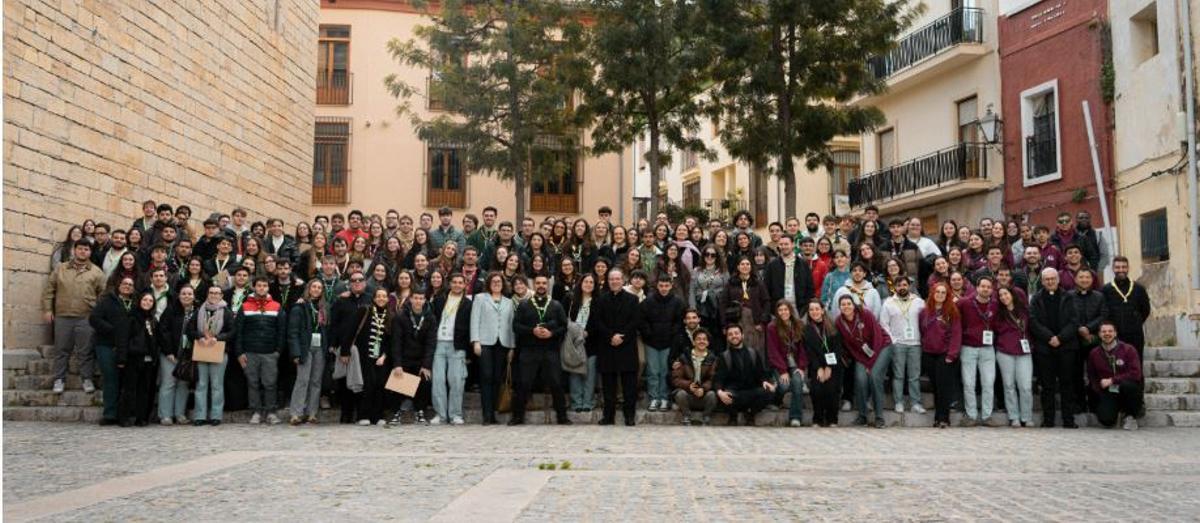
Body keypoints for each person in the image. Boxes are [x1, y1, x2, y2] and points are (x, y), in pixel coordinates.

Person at [42, 239, 106, 394]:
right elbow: (49, 290)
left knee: (85, 351)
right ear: (74, 250)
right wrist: (47, 310)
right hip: (63, 315)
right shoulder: (61, 268)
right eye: (80, 248)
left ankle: (87, 379)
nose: (83, 251)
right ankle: (59, 379)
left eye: (86, 249)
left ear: (90, 252)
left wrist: (97, 313)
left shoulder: (96, 272)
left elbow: (103, 295)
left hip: (86, 317)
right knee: (61, 350)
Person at [509, 274, 571, 425]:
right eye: (538, 283)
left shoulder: (556, 305)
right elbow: (516, 326)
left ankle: (562, 417)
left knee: (556, 383)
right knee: (524, 383)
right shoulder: (524, 305)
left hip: (550, 350)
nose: (541, 286)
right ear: (534, 285)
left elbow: (564, 327)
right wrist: (532, 331)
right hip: (529, 350)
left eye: (544, 283)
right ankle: (517, 417)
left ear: (547, 285)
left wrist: (551, 333)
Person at [588, 268, 641, 426]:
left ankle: (629, 416)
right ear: (608, 281)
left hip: (627, 345)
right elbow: (597, 322)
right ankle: (608, 416)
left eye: (617, 279)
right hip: (607, 345)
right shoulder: (600, 300)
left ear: (623, 280)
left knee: (629, 386)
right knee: (608, 385)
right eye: (611, 279)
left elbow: (635, 321)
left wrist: (621, 337)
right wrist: (611, 336)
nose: (614, 282)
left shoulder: (633, 299)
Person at [1029, 268, 1080, 429]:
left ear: (1058, 280)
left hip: (1066, 346)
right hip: (1045, 347)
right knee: (1047, 385)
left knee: (1067, 384)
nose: (1050, 282)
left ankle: (1068, 420)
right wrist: (1050, 337)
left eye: (1052, 279)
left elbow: (1074, 321)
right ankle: (1048, 420)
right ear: (1042, 281)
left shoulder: (1069, 297)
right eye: (1046, 279)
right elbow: (1033, 321)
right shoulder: (1036, 299)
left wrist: (1060, 338)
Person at [234, 276, 286, 425]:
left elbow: (282, 331)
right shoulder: (245, 306)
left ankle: (271, 412)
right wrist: (239, 353)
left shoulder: (276, 306)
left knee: (270, 384)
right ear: (254, 287)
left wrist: (278, 351)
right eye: (259, 285)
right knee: (253, 383)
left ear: (268, 288)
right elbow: (239, 332)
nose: (262, 288)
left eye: (264, 285)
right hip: (250, 352)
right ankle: (256, 412)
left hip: (270, 353)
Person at [834, 296, 892, 428]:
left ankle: (879, 417)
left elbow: (877, 338)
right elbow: (848, 346)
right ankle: (862, 415)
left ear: (854, 305)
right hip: (862, 354)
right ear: (839, 307)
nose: (846, 306)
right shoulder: (839, 322)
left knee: (874, 377)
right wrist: (862, 361)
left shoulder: (865, 314)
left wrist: (870, 364)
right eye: (843, 304)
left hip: (882, 347)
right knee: (860, 379)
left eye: (849, 303)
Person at [88, 276, 137, 425]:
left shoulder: (135, 303)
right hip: (107, 345)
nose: (127, 286)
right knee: (111, 379)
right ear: (118, 285)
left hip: (128, 347)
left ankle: (124, 413)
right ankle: (110, 413)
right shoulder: (107, 301)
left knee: (126, 381)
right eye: (124, 283)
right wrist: (112, 330)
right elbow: (94, 319)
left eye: (130, 284)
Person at [469, 272, 515, 425]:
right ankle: (486, 415)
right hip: (485, 342)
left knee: (497, 378)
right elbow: (474, 319)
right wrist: (475, 341)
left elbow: (511, 325)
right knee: (486, 377)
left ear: (503, 284)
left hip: (503, 343)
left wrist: (512, 347)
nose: (496, 283)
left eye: (499, 281)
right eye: (494, 281)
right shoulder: (480, 298)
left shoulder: (509, 302)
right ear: (489, 283)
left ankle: (493, 413)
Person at [342, 288, 393, 426]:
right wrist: (345, 351)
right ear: (374, 298)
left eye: (384, 296)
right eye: (378, 296)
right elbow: (351, 330)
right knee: (366, 385)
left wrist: (384, 355)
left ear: (388, 299)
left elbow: (390, 340)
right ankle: (363, 415)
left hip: (381, 357)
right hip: (363, 356)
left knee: (380, 385)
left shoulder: (390, 316)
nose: (381, 298)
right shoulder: (364, 311)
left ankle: (378, 416)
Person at [428, 273, 472, 425]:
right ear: (450, 284)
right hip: (439, 343)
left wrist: (468, 351)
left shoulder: (468, 303)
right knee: (438, 380)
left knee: (456, 380)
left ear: (465, 285)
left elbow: (470, 327)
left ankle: (455, 414)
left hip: (457, 345)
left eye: (460, 282)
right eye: (455, 282)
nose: (457, 285)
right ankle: (440, 414)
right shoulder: (439, 300)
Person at [118, 292, 166, 427]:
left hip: (149, 359)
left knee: (144, 390)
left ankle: (142, 417)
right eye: (145, 300)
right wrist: (121, 358)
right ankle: (124, 417)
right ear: (139, 301)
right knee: (129, 389)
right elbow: (123, 338)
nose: (147, 303)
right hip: (133, 357)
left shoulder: (153, 320)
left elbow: (157, 339)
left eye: (150, 301)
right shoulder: (131, 317)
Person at [878, 277, 924, 414]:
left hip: (915, 343)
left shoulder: (919, 302)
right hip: (898, 344)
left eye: (904, 284)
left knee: (914, 376)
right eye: (899, 285)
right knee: (898, 375)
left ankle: (915, 403)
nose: (902, 287)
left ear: (909, 286)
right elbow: (883, 324)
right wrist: (893, 340)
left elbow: (925, 321)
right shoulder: (888, 303)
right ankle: (898, 402)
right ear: (894, 287)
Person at [639, 275, 685, 412]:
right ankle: (654, 398)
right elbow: (642, 320)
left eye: (666, 286)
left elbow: (679, 321)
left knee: (665, 371)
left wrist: (672, 335)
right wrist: (648, 334)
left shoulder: (677, 302)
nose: (664, 288)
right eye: (661, 286)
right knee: (652, 371)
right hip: (651, 342)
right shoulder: (648, 301)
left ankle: (664, 398)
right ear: (657, 286)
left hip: (668, 342)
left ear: (671, 286)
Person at [957, 276, 999, 427]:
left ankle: (987, 416)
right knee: (969, 383)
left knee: (988, 382)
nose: (985, 289)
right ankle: (971, 415)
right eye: (983, 286)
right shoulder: (964, 302)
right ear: (977, 287)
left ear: (992, 290)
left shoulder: (995, 305)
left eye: (988, 287)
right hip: (968, 347)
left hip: (987, 348)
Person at [287, 279, 330, 425]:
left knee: (316, 381)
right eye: (314, 287)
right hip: (304, 347)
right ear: (308, 288)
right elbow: (293, 332)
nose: (316, 289)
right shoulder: (299, 307)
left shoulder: (324, 308)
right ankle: (296, 413)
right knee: (302, 380)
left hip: (320, 347)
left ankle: (312, 413)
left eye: (319, 288)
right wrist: (296, 352)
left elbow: (327, 329)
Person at [715, 324, 776, 426]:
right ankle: (733, 416)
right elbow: (718, 378)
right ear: (727, 338)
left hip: (751, 391)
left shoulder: (753, 353)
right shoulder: (724, 356)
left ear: (742, 335)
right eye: (730, 334)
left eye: (736, 333)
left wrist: (765, 382)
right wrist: (719, 391)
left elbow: (761, 373)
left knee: (769, 391)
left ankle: (751, 415)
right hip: (734, 394)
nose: (734, 336)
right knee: (721, 395)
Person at [190, 285, 233, 426]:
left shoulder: (226, 312)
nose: (214, 295)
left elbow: (232, 331)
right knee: (201, 384)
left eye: (217, 293)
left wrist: (218, 338)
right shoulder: (199, 310)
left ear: (221, 296)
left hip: (218, 351)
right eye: (211, 292)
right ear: (207, 294)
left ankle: (216, 415)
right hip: (202, 350)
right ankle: (200, 416)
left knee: (217, 385)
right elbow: (190, 329)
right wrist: (200, 336)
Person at [1087, 322, 1143, 430]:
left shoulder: (1128, 349)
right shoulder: (1094, 353)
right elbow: (1092, 375)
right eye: (1104, 331)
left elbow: (1136, 374)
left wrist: (1113, 380)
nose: (1107, 334)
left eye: (1110, 331)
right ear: (1099, 334)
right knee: (1106, 420)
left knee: (1129, 386)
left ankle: (1130, 415)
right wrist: (1099, 388)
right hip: (1109, 391)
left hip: (1126, 388)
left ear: (1115, 333)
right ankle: (1115, 411)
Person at [921, 282, 962, 428]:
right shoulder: (924, 312)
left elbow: (956, 334)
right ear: (932, 293)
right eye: (937, 292)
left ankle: (944, 418)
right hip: (929, 354)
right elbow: (922, 330)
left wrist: (951, 354)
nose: (940, 295)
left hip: (945, 355)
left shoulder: (952, 312)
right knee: (935, 386)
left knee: (944, 387)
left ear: (947, 295)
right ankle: (937, 416)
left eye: (943, 292)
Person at [994, 287, 1034, 428]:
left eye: (1005, 294)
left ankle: (1026, 416)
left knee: (1025, 386)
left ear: (1012, 294)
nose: (1003, 297)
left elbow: (1031, 328)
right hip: (1005, 352)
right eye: (1000, 295)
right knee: (1009, 385)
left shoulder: (1024, 311)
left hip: (1024, 352)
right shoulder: (998, 314)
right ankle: (1014, 416)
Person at [766, 300, 808, 426]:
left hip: (796, 364)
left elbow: (803, 349)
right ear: (777, 312)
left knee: (797, 382)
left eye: (786, 309)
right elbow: (773, 351)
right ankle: (776, 400)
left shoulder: (799, 325)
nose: (783, 312)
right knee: (784, 385)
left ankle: (795, 417)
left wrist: (801, 367)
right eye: (780, 310)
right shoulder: (772, 327)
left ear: (790, 311)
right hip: (780, 364)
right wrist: (783, 371)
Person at [1102, 256, 1151, 363]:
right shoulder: (1106, 290)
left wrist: (1136, 321)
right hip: (1115, 335)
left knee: (1136, 362)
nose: (1121, 270)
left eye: (1124, 267)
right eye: (1117, 267)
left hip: (1135, 334)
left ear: (1128, 268)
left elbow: (1145, 309)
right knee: (1117, 364)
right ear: (1113, 269)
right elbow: (1104, 312)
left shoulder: (1139, 288)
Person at [157, 285, 194, 425]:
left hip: (187, 355)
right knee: (169, 383)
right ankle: (165, 415)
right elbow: (162, 330)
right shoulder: (171, 309)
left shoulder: (196, 311)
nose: (186, 296)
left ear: (194, 296)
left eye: (189, 294)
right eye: (184, 293)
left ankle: (180, 414)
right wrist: (168, 351)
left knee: (183, 384)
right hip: (170, 354)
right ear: (179, 296)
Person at [670, 328, 719, 425]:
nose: (701, 341)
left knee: (712, 395)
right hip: (688, 395)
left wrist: (703, 389)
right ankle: (687, 416)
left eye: (704, 339)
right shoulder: (684, 357)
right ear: (693, 342)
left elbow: (713, 378)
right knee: (680, 394)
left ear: (708, 343)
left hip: (704, 396)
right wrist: (689, 385)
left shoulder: (713, 359)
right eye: (698, 339)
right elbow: (676, 379)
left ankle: (706, 416)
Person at [567, 273, 599, 412]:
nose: (588, 284)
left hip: (591, 341)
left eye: (591, 282)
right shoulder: (571, 299)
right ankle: (576, 402)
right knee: (575, 372)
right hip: (573, 341)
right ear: (580, 283)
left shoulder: (598, 301)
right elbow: (564, 318)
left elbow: (600, 321)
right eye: (586, 281)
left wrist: (588, 332)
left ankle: (588, 402)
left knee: (589, 374)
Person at [762, 235, 814, 307]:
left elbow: (809, 287)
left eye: (786, 244)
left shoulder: (802, 264)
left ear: (793, 245)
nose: (783, 247)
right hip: (779, 307)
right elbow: (766, 287)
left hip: (799, 307)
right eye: (781, 244)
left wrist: (806, 305)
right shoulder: (772, 265)